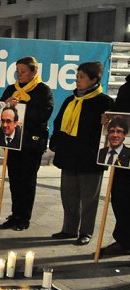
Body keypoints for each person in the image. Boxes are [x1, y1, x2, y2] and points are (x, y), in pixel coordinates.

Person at [48, 62, 113, 245]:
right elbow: (59, 122)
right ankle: (69, 229)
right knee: (68, 195)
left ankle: (86, 232)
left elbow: (115, 129)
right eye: (77, 76)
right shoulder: (71, 100)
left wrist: (107, 122)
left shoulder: (105, 102)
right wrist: (56, 143)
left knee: (89, 198)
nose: (77, 80)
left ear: (94, 79)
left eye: (82, 77)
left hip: (90, 157)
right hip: (69, 155)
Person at [0, 56, 54, 231]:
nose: (19, 75)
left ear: (33, 72)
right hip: (13, 142)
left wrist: (21, 107)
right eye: (17, 71)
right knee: (14, 180)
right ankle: (15, 214)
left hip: (31, 143)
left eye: (23, 72)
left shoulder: (43, 90)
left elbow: (43, 114)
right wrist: (6, 105)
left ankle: (24, 217)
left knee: (27, 181)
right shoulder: (11, 89)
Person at [101, 73, 130, 256]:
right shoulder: (126, 88)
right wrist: (108, 120)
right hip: (125, 153)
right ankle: (124, 239)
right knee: (120, 197)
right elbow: (119, 115)